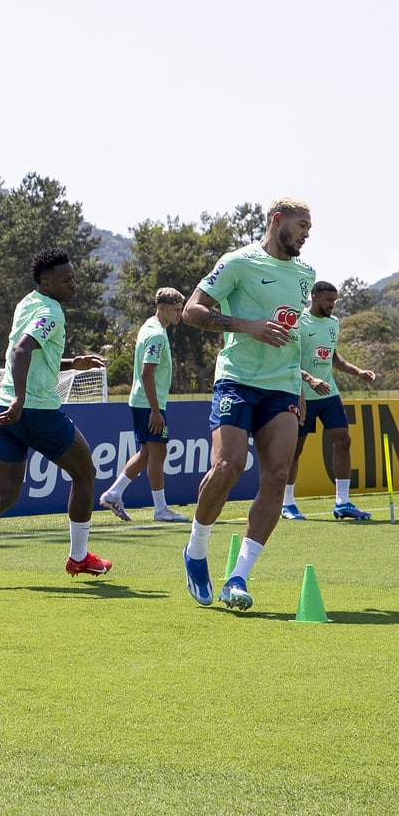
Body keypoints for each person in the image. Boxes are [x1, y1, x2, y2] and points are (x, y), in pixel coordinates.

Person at [0, 248, 111, 591]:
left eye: (73, 278)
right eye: (67, 280)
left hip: (0, 409)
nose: (73, 285)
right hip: (35, 410)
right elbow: (21, 349)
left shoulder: (27, 303)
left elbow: (31, 354)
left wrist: (67, 363)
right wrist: (21, 399)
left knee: (4, 493)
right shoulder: (52, 311)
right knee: (85, 473)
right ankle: (79, 556)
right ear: (46, 283)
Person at [179, 197, 315, 611]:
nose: (307, 234)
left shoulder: (307, 274)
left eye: (310, 228)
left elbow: (295, 336)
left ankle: (238, 576)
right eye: (302, 225)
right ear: (277, 221)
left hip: (283, 388)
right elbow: (191, 311)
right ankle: (196, 550)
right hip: (237, 380)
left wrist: (301, 388)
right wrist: (247, 327)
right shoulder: (238, 262)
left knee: (276, 476)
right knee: (228, 466)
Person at [283, 280, 377, 520]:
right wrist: (310, 379)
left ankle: (342, 502)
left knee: (343, 440)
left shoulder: (334, 323)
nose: (332, 305)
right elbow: (289, 359)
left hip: (330, 393)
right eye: (328, 300)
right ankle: (287, 503)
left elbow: (333, 357)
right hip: (302, 393)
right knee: (296, 449)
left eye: (334, 301)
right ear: (313, 296)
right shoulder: (299, 322)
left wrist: (358, 372)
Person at [98, 287, 187, 523]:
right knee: (158, 452)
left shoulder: (150, 326)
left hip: (143, 401)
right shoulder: (157, 334)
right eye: (176, 310)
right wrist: (156, 411)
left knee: (148, 452)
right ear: (162, 308)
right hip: (149, 403)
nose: (180, 314)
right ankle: (160, 509)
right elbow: (147, 374)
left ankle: (114, 493)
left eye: (181, 309)